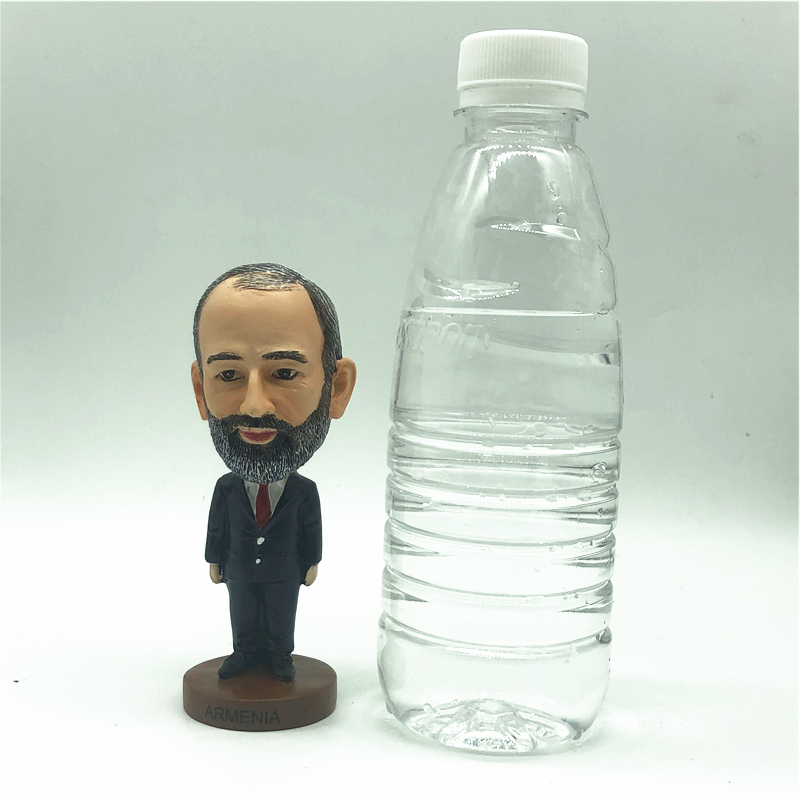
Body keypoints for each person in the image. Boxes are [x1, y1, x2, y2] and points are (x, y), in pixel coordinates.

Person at [190, 263, 356, 681]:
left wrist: (311, 561)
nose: (254, 406)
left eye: (284, 373)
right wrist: (214, 559)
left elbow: (310, 527)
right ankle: (244, 651)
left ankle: (281, 654)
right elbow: (217, 527)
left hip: (284, 572)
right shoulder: (227, 489)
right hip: (240, 570)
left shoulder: (304, 492)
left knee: (282, 613)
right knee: (242, 612)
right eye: (228, 375)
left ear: (336, 388)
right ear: (200, 390)